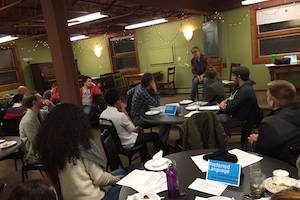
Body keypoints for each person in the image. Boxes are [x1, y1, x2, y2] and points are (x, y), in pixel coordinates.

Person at [35, 104, 125, 200]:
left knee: (119, 172)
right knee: (126, 180)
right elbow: (99, 178)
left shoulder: (55, 149)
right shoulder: (81, 148)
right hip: (94, 197)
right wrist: (117, 179)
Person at [248, 80, 300, 165]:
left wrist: (256, 141)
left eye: (267, 97)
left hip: (286, 166)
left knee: (251, 143)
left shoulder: (269, 123)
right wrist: (263, 137)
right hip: (296, 157)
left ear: (272, 102)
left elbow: (263, 151)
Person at [101, 88, 162, 161]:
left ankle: (145, 156)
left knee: (142, 135)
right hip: (128, 142)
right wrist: (123, 110)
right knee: (154, 135)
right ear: (117, 101)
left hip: (115, 145)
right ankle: (161, 154)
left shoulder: (101, 116)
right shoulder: (120, 115)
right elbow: (134, 129)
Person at [218, 66, 261, 147]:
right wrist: (225, 101)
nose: (233, 78)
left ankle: (220, 144)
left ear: (238, 77)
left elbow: (230, 107)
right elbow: (231, 97)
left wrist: (223, 106)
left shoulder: (245, 90)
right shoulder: (242, 86)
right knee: (216, 117)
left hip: (240, 119)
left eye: (234, 76)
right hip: (237, 114)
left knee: (214, 119)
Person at [130, 73, 170, 143]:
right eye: (153, 81)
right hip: (139, 118)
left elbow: (128, 92)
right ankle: (160, 143)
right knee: (166, 121)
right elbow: (157, 104)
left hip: (138, 114)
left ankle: (160, 141)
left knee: (163, 117)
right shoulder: (143, 92)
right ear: (150, 82)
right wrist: (155, 90)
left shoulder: (139, 86)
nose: (154, 82)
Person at [19, 93, 53, 164]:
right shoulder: (28, 120)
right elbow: (35, 141)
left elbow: (55, 113)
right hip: (33, 153)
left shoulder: (40, 113)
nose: (43, 100)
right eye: (40, 98)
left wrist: (50, 105)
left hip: (43, 147)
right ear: (34, 102)